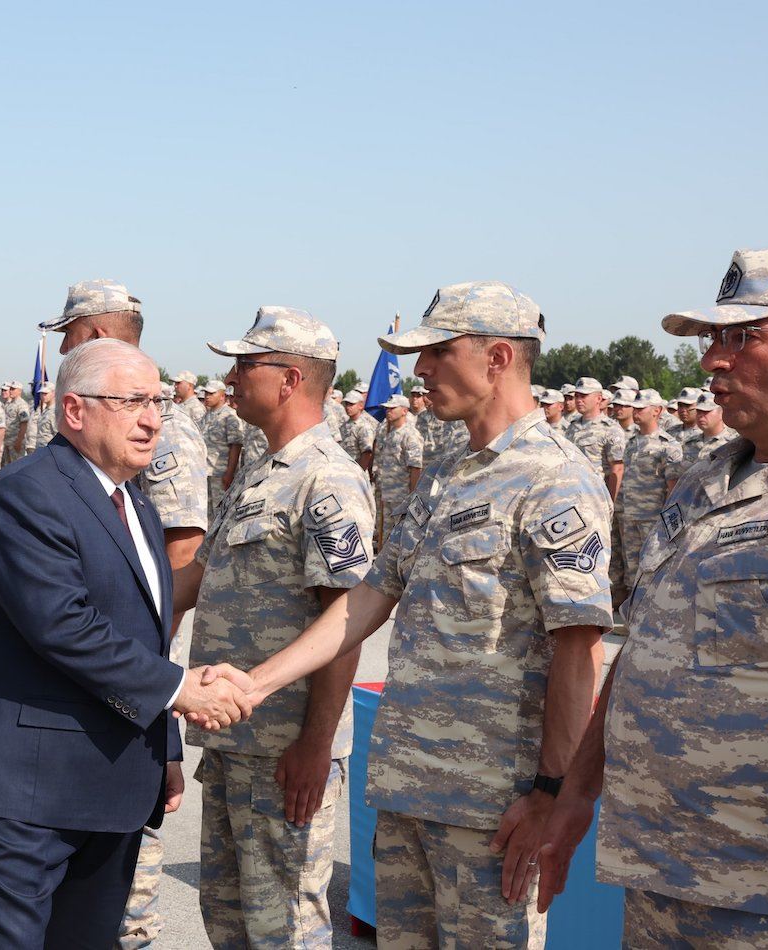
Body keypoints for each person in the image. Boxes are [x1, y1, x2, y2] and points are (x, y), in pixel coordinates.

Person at [207, 281, 613, 949]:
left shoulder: (555, 477)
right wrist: (257, 683)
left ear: (498, 358)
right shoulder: (450, 470)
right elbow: (367, 598)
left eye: (438, 352)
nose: (420, 369)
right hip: (410, 791)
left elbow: (579, 647)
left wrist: (550, 793)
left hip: (492, 807)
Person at [536, 244, 768, 948]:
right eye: (713, 338)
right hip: (664, 878)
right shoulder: (707, 478)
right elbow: (645, 646)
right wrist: (576, 793)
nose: (711, 360)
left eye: (742, 337)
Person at [0, 338, 250, 948]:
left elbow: (145, 637)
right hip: (23, 791)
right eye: (132, 402)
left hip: (113, 783)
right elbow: (63, 624)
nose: (152, 420)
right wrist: (182, 691)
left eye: (157, 402)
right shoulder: (28, 493)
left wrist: (165, 747)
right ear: (75, 410)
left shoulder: (136, 505)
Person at [171, 307, 375, 947]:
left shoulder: (327, 478)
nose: (230, 378)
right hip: (233, 739)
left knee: (285, 927)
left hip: (285, 751)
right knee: (228, 918)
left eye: (245, 365)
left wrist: (316, 743)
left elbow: (346, 621)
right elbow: (194, 579)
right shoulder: (262, 471)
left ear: (289, 379)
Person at [35, 277, 212, 948]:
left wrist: (144, 669)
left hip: (129, 667)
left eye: (70, 338)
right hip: (92, 663)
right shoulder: (84, 415)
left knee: (122, 864)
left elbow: (180, 556)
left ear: (97, 333)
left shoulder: (160, 429)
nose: (62, 351)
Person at [611, 388, 681, 600]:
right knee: (632, 568)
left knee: (655, 568)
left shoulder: (667, 445)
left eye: (641, 408)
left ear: (657, 411)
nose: (636, 412)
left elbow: (673, 488)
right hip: (630, 515)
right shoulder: (631, 442)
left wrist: (665, 520)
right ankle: (633, 609)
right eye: (635, 408)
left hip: (653, 518)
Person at [372, 393, 423, 546]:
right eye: (387, 409)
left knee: (402, 539)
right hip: (387, 494)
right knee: (387, 537)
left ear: (404, 411)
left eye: (392, 408)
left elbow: (415, 468)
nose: (388, 411)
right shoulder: (390, 433)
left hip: (401, 496)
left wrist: (412, 496)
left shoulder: (410, 434)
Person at [565, 376, 626, 498]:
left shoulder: (610, 428)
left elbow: (617, 469)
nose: (579, 400)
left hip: (596, 496)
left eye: (584, 396)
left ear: (598, 398)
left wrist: (610, 502)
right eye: (577, 396)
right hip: (573, 494)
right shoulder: (572, 426)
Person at [199, 379, 243, 515]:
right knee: (207, 513)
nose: (207, 396)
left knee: (220, 511)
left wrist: (229, 473)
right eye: (206, 393)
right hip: (206, 471)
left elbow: (236, 445)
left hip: (220, 473)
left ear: (222, 396)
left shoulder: (230, 416)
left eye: (211, 393)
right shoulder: (207, 415)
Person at [342, 390, 377, 471]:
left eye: (351, 404)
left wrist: (359, 473)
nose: (348, 407)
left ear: (360, 406)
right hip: (344, 470)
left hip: (356, 472)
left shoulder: (364, 427)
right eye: (346, 404)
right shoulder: (344, 425)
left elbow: (367, 454)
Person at [1, 381, 31, 465]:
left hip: (16, 441)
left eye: (13, 389)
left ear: (19, 391)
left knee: (17, 466)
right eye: (10, 389)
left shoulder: (21, 405)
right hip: (7, 441)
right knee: (7, 466)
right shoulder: (9, 404)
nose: (10, 391)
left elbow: (24, 423)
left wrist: (19, 441)